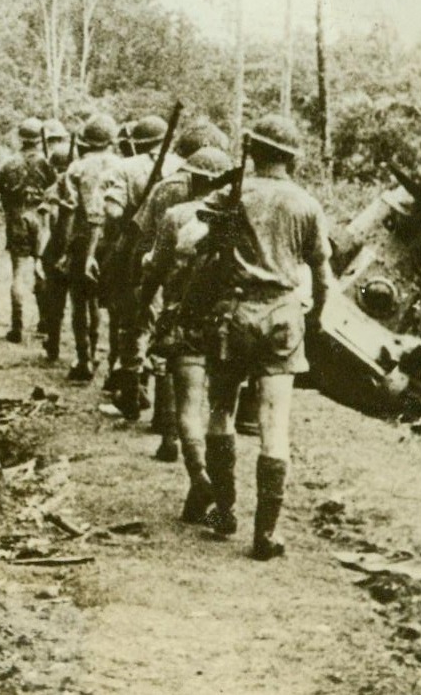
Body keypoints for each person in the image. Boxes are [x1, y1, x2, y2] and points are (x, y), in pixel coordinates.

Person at [198, 114, 332, 561]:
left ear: (252, 151)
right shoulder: (306, 204)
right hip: (282, 318)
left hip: (232, 314)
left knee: (220, 409)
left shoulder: (231, 195)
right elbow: (322, 277)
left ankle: (224, 510)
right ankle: (266, 534)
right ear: (292, 158)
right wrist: (314, 320)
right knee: (275, 424)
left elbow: (202, 247)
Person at [137, 147, 234, 522]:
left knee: (189, 408)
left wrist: (144, 304)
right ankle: (217, 496)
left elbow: (156, 269)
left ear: (193, 179)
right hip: (226, 323)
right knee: (222, 412)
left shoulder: (177, 215)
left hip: (186, 320)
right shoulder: (237, 218)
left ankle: (200, 477)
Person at [125, 120, 229, 459]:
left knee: (171, 360)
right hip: (224, 305)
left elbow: (144, 242)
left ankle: (168, 429)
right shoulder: (237, 210)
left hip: (176, 293)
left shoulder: (169, 197)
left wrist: (143, 292)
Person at [100, 115, 181, 413]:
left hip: (138, 251)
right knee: (167, 321)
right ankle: (164, 411)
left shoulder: (125, 168)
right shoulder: (183, 166)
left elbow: (112, 211)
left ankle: (132, 392)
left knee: (134, 321)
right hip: (179, 252)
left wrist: (134, 218)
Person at [55, 113, 121, 381]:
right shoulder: (121, 165)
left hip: (82, 240)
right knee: (113, 306)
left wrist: (64, 250)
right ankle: (114, 363)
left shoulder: (76, 168)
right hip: (113, 242)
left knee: (80, 301)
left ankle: (84, 358)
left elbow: (69, 212)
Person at [0, 117, 56, 343]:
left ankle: (17, 327)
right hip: (41, 219)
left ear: (21, 139)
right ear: (40, 139)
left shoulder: (9, 163)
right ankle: (45, 322)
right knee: (41, 269)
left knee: (18, 274)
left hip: (17, 220)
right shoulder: (47, 163)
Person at [36, 119, 73, 356]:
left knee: (55, 301)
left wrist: (40, 256)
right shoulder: (84, 187)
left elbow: (46, 225)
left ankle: (54, 343)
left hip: (57, 248)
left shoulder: (52, 191)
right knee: (84, 303)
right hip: (78, 248)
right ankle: (86, 352)